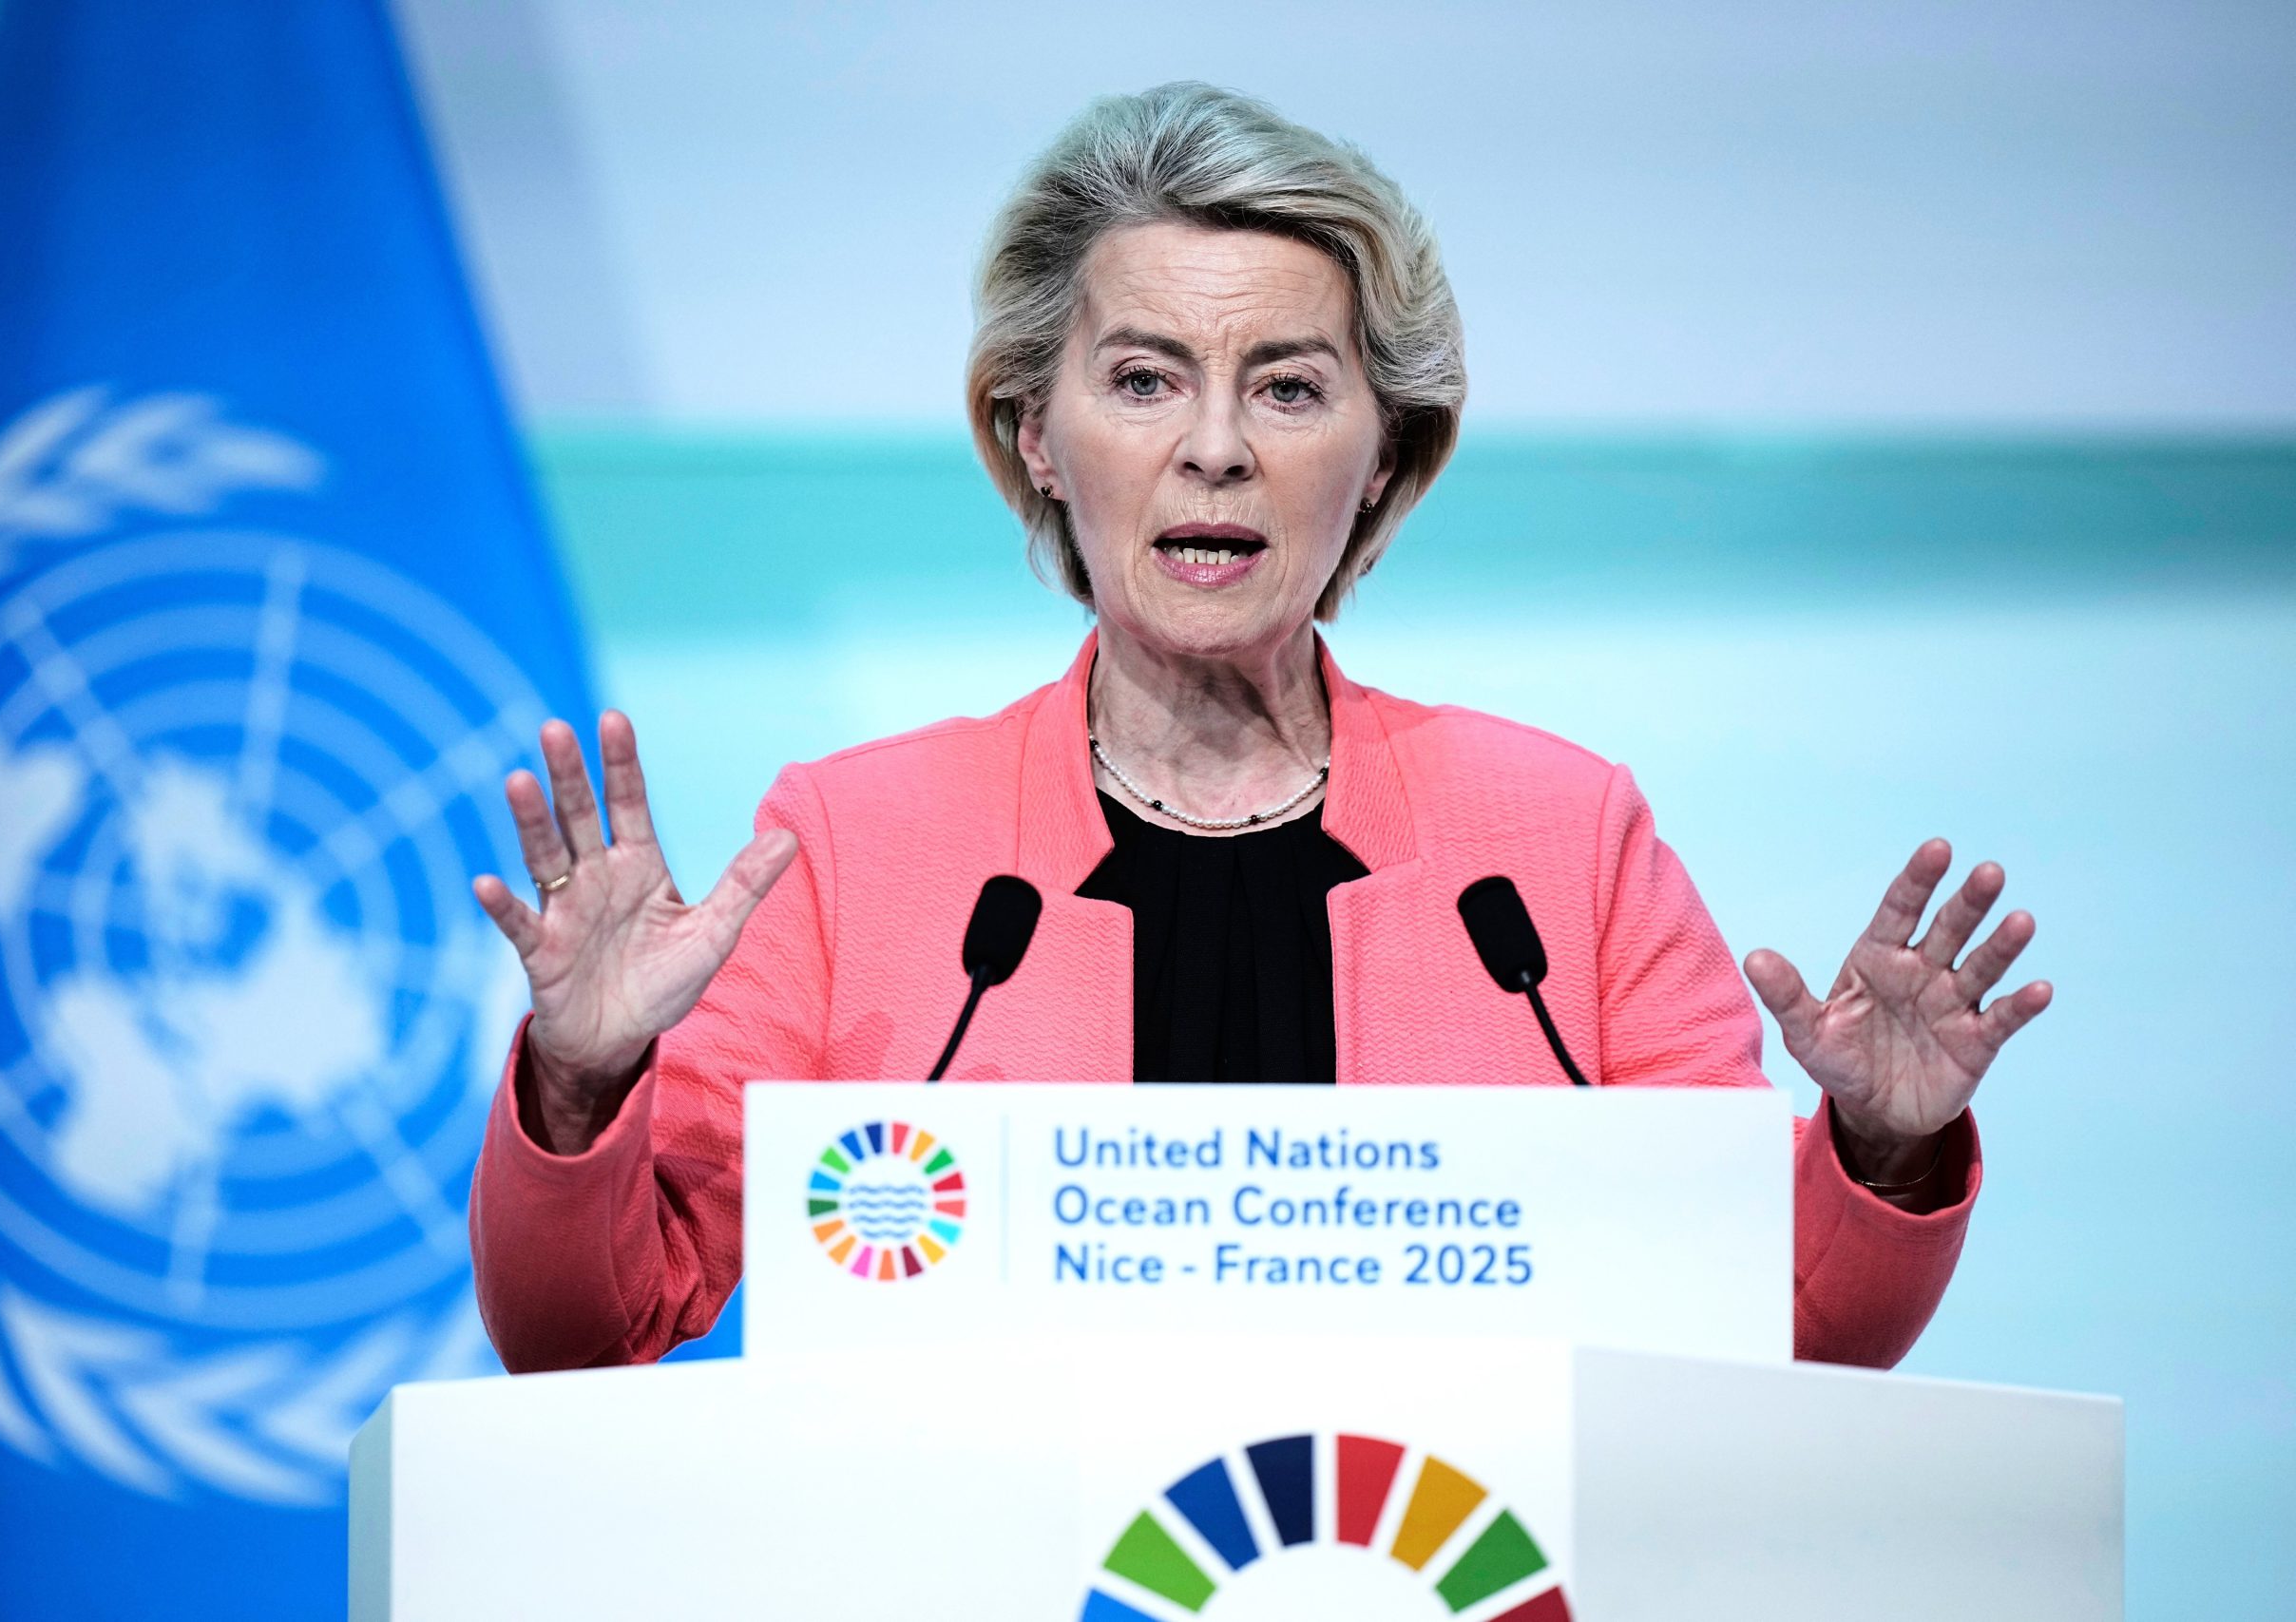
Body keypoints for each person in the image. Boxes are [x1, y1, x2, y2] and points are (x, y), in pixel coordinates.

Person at [467, 83, 2050, 1374]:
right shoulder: (857, 845)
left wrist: (1883, 1151)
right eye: (1144, 380)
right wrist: (581, 1081)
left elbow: (1766, 1338)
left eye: (1287, 389)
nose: (1215, 449)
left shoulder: (1560, 843)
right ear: (1036, 435)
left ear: (1385, 454)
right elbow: (585, 1333)